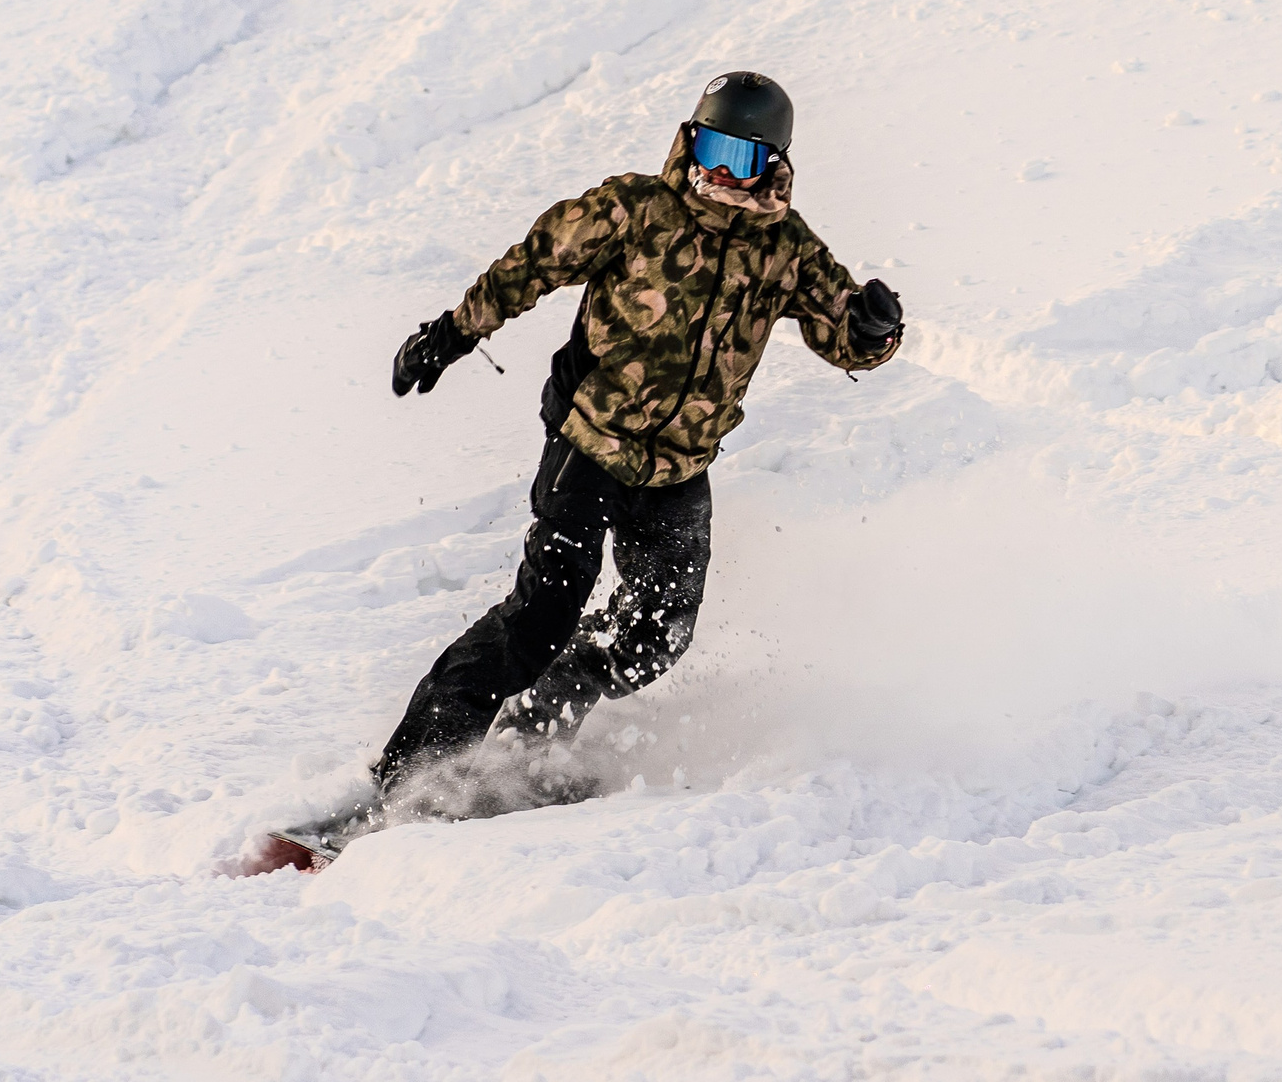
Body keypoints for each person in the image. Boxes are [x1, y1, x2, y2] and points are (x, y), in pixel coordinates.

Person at [370, 70, 904, 810]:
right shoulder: (637, 210)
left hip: (678, 468)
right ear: (691, 137)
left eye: (742, 158)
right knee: (539, 619)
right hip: (589, 442)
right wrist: (451, 335)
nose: (720, 171)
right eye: (711, 145)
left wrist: (875, 330)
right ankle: (408, 775)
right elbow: (532, 264)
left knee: (658, 634)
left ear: (773, 165)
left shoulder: (786, 250)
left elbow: (842, 336)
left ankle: (539, 728)